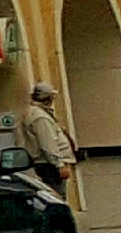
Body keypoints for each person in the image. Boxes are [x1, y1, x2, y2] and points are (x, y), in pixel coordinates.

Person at [16, 84, 89, 223]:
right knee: (56, 199)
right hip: (48, 165)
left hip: (47, 163)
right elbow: (48, 144)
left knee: (55, 197)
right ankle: (59, 227)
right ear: (47, 98)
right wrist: (59, 165)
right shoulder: (40, 117)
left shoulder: (39, 114)